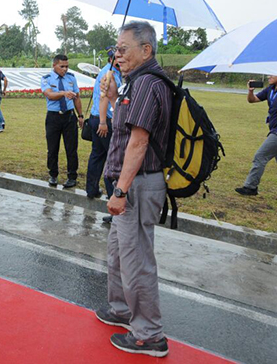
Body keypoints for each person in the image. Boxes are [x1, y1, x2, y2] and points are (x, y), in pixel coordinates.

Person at [96, 21, 172, 357]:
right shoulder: (134, 84)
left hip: (137, 186)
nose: (117, 56)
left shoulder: (147, 84)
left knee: (136, 259)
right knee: (118, 253)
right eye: (115, 50)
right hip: (130, 184)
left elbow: (138, 142)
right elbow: (125, 129)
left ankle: (149, 333)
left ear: (146, 50)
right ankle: (121, 308)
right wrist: (114, 97)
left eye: (123, 49)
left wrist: (121, 190)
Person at [41, 53, 84, 188]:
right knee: (52, 148)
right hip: (53, 117)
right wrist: (64, 93)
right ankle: (53, 174)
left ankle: (72, 176)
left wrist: (80, 115)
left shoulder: (71, 78)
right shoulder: (46, 78)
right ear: (54, 65)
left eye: (66, 66)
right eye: (62, 66)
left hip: (69, 117)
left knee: (71, 148)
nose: (65, 69)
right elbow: (49, 94)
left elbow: (77, 97)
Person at [86, 52, 122, 199]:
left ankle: (92, 189)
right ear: (111, 59)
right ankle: (111, 194)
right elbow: (104, 99)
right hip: (104, 120)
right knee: (112, 159)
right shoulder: (109, 74)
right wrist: (103, 122)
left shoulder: (111, 72)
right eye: (118, 57)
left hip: (98, 118)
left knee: (97, 155)